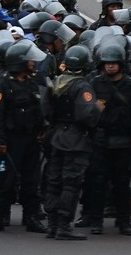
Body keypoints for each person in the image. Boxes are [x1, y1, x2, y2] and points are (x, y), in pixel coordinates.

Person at [0, 39, 48, 234]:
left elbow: (38, 109)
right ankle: (0, 216)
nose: (32, 63)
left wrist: (42, 130)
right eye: (29, 61)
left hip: (30, 140)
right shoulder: (4, 85)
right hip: (11, 141)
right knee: (6, 180)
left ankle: (31, 217)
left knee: (31, 180)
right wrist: (0, 141)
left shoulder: (31, 83)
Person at [83, 43, 131, 236]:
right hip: (100, 142)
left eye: (114, 63)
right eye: (107, 63)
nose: (110, 66)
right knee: (97, 183)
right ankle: (96, 221)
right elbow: (87, 112)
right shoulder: (95, 84)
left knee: (121, 185)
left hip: (123, 142)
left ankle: (124, 221)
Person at [43, 46, 102, 240]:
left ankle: (52, 223)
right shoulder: (82, 86)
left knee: (54, 180)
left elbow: (45, 110)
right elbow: (85, 115)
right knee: (71, 182)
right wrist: (97, 110)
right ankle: (63, 224)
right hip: (75, 139)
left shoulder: (56, 82)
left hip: (56, 136)